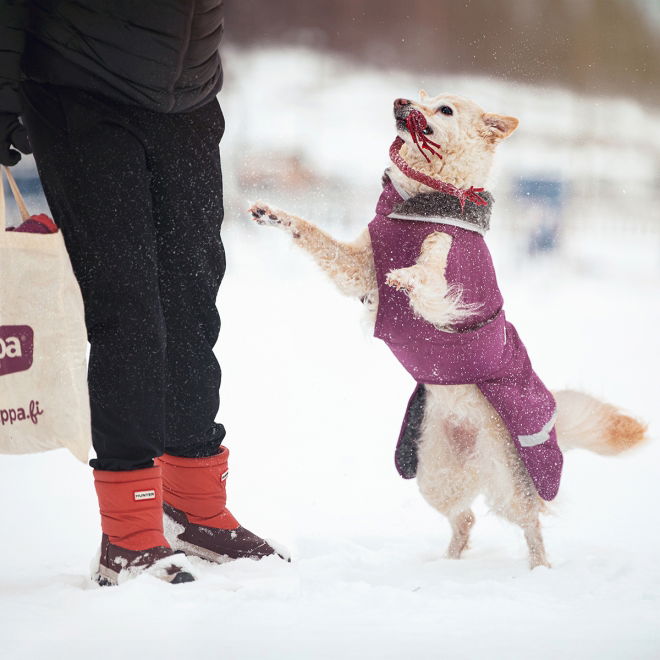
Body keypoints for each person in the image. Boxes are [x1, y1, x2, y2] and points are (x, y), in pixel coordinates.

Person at [0, 0, 280, 585]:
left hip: (190, 95)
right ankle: (128, 535)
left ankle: (195, 507)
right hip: (82, 87)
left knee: (192, 306)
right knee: (127, 310)